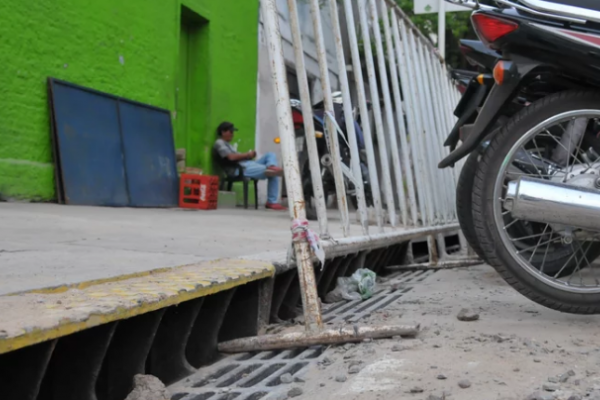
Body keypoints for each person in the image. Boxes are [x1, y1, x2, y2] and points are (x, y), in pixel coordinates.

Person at [214, 121, 286, 210]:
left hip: (246, 164)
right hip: (239, 169)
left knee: (270, 155)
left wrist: (250, 156)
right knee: (273, 173)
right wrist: (247, 155)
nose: (232, 134)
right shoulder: (219, 143)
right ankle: (272, 202)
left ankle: (271, 165)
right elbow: (231, 157)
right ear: (223, 132)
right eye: (231, 132)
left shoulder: (228, 144)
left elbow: (238, 157)